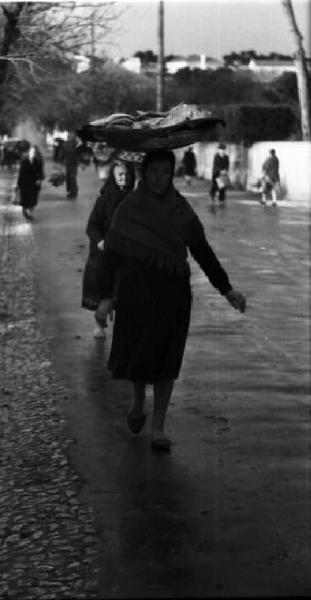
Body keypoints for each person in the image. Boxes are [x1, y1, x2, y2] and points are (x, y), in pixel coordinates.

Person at [96, 150, 246, 452]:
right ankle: (138, 401)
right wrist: (104, 298)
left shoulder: (181, 210)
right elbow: (110, 257)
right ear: (144, 172)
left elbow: (202, 250)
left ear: (171, 174)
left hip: (173, 292)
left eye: (165, 173)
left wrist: (226, 288)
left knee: (167, 358)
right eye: (153, 172)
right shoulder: (128, 209)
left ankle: (159, 427)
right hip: (135, 293)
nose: (158, 179)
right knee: (139, 355)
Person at [82, 160, 136, 339]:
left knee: (126, 290)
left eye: (127, 175)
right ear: (114, 176)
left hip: (127, 252)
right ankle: (99, 322)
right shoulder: (104, 200)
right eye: (120, 174)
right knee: (103, 289)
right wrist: (100, 241)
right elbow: (92, 226)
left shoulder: (136, 200)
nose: (124, 178)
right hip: (104, 252)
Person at [16, 144, 44, 220]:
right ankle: (25, 211)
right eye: (31, 152)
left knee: (33, 199)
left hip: (34, 183)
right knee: (25, 198)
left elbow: (40, 172)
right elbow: (21, 172)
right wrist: (18, 183)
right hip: (25, 183)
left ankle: (30, 212)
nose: (32, 153)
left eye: (34, 152)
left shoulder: (38, 161)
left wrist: (39, 180)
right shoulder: (24, 160)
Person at [60, 132, 78, 198]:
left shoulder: (75, 144)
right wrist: (62, 160)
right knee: (68, 178)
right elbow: (63, 152)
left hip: (73, 163)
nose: (69, 136)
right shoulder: (66, 144)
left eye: (71, 135)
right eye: (69, 135)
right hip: (68, 163)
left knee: (72, 178)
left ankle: (74, 192)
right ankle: (70, 191)